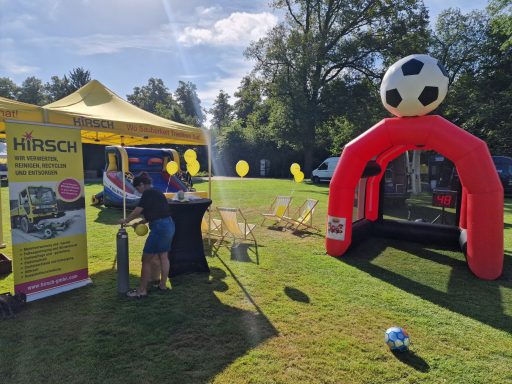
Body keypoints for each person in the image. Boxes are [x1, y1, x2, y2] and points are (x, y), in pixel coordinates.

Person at [118, 172, 175, 298]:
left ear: (142, 184)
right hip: (169, 225)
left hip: (160, 228)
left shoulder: (147, 193)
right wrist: (141, 222)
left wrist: (126, 220)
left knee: (146, 259)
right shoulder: (157, 192)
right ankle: (162, 285)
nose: (138, 191)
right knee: (164, 256)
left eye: (138, 188)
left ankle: (142, 290)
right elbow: (157, 212)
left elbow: (138, 210)